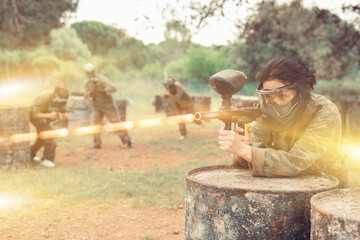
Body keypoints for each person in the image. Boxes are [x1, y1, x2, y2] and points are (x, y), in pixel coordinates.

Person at [218, 56, 349, 188]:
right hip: (288, 184)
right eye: (268, 96)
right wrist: (240, 151)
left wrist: (244, 150)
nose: (275, 103)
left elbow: (297, 161)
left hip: (328, 185)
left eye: (282, 96)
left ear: (304, 90)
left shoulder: (324, 111)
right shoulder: (268, 111)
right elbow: (253, 148)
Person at [84, 63, 132, 149]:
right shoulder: (87, 83)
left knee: (116, 122)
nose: (89, 75)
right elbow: (85, 95)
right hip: (96, 105)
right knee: (95, 123)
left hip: (108, 105)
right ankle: (97, 143)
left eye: (91, 73)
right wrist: (91, 92)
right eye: (88, 73)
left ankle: (127, 141)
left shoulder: (101, 79)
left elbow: (114, 88)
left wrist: (103, 90)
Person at [30, 81, 69, 168]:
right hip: (37, 118)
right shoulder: (44, 97)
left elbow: (63, 109)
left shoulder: (63, 97)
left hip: (46, 119)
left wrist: (64, 115)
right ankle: (47, 159)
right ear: (55, 94)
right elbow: (33, 114)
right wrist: (49, 115)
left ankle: (30, 154)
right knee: (51, 135)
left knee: (42, 139)